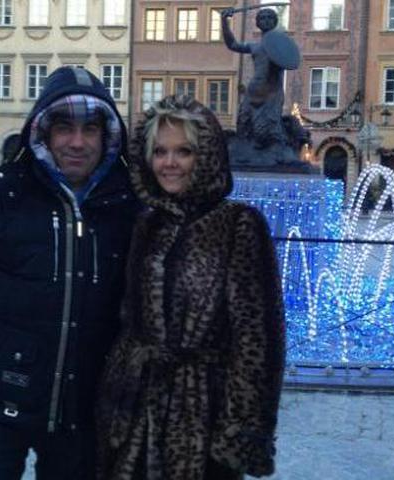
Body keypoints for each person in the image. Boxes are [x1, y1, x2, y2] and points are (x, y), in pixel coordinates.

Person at [0, 66, 140, 479]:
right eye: (64, 128)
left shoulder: (128, 203)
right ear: (44, 132)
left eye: (90, 129)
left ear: (107, 135)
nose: (77, 142)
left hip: (85, 411)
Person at [96, 95, 286, 480]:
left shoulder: (239, 225)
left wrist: (238, 433)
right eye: (160, 151)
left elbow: (258, 340)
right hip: (135, 414)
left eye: (184, 151)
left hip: (202, 417)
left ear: (207, 156)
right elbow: (129, 322)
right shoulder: (147, 224)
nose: (169, 163)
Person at [222, 7, 300, 152]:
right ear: (257, 23)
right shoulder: (255, 46)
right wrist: (224, 22)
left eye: (269, 17)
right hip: (252, 93)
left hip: (271, 94)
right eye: (262, 18)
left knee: (266, 132)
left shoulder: (279, 48)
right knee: (244, 127)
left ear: (275, 22)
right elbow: (232, 44)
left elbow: (291, 60)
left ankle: (277, 155)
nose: (266, 20)